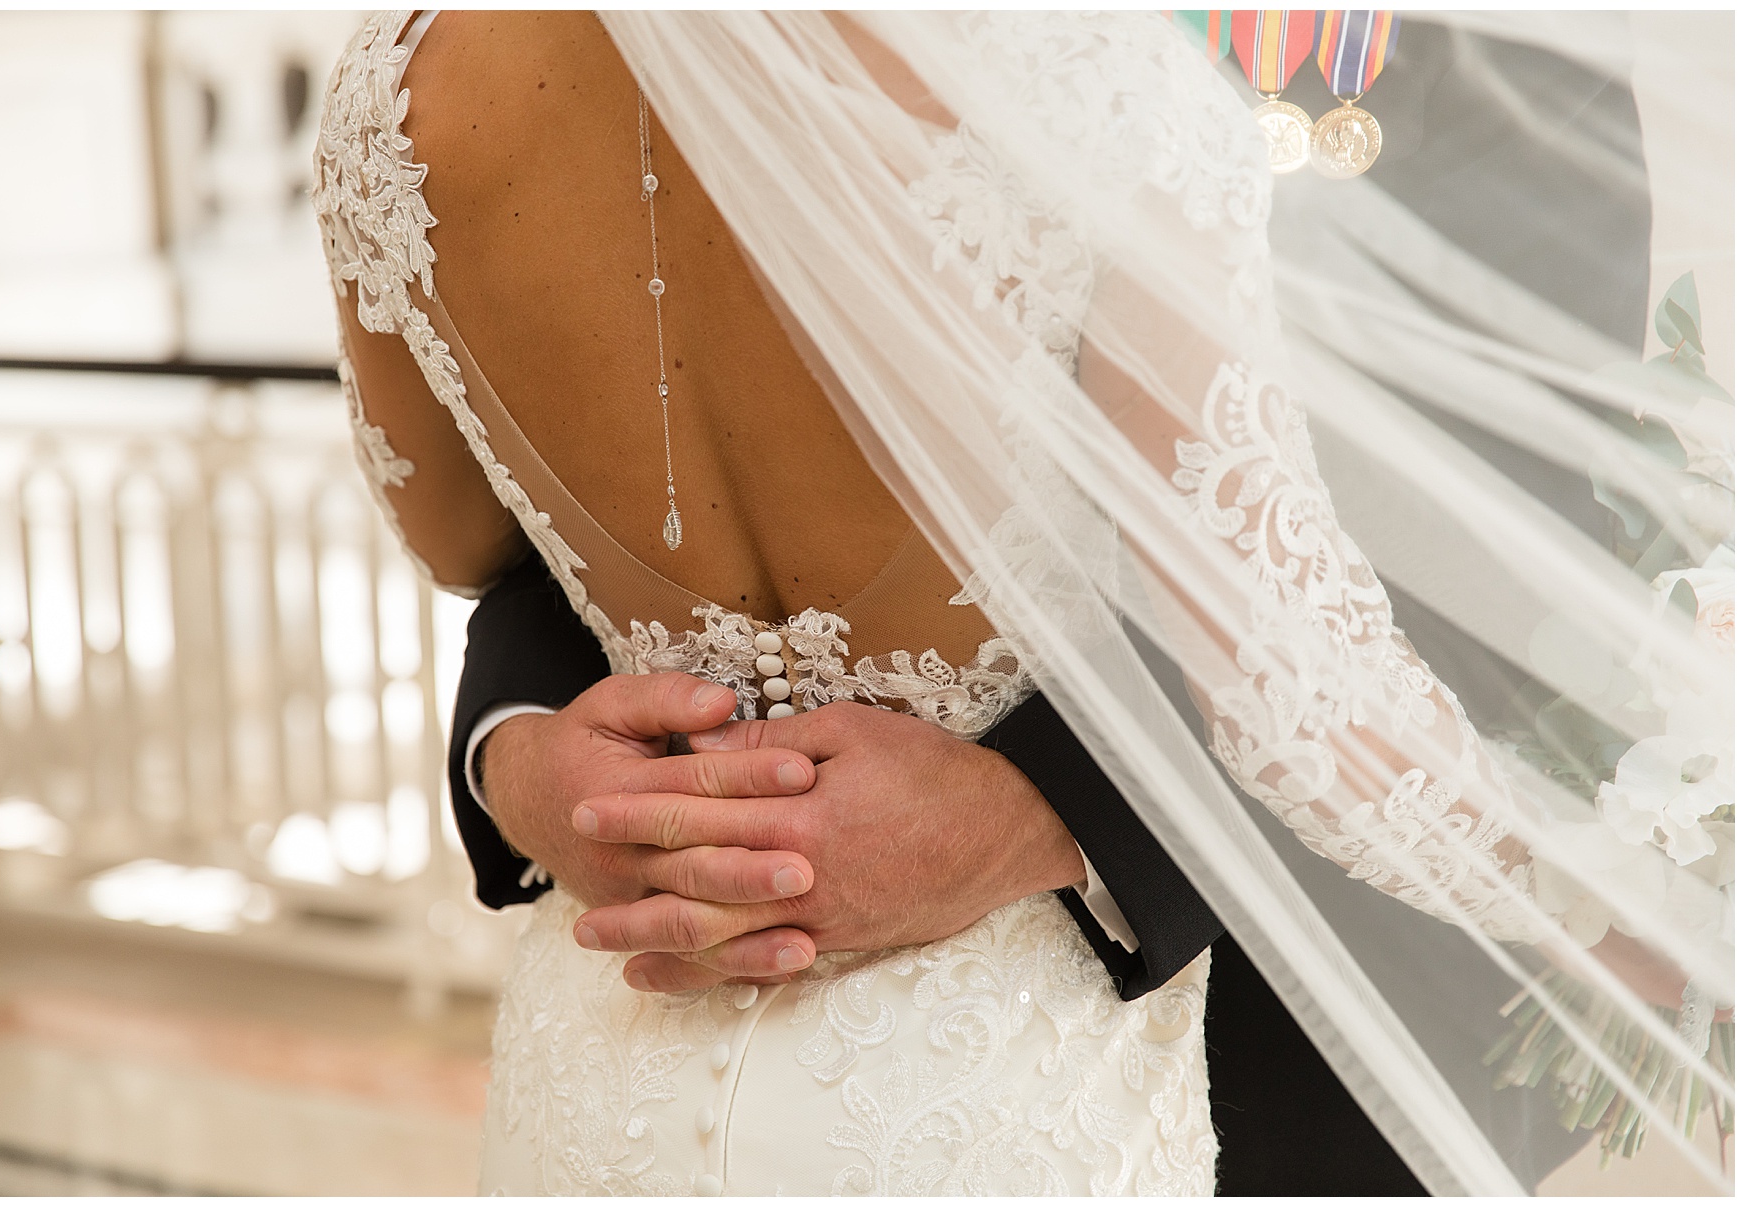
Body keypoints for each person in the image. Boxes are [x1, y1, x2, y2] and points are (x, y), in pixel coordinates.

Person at [316, 10, 1731, 1196]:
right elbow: (1301, 704)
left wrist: (1052, 806)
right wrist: (1632, 895)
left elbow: (459, 531)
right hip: (990, 1080)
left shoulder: (395, 83)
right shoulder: (1080, 62)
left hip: (624, 1054)